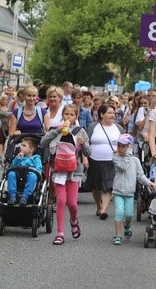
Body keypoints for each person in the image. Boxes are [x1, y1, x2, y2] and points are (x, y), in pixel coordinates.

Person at [41, 104, 91, 245]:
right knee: (61, 201)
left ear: (76, 117)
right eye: (66, 114)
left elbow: (88, 152)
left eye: (71, 115)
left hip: (74, 171)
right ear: (62, 115)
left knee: (72, 204)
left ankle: (74, 220)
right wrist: (56, 131)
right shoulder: (56, 129)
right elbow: (43, 143)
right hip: (59, 170)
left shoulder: (80, 131)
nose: (68, 117)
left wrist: (83, 144)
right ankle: (60, 233)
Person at [111, 133, 154, 245]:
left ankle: (127, 226)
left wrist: (149, 183)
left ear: (130, 146)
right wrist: (129, 154)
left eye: (123, 146)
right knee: (119, 212)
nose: (120, 148)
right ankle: (118, 235)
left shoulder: (135, 161)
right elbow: (123, 167)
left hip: (130, 192)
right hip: (118, 191)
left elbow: (140, 175)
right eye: (119, 145)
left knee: (129, 215)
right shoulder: (116, 158)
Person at [85, 103, 124, 220]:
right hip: (95, 160)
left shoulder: (119, 128)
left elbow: (125, 143)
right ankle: (99, 206)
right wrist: (85, 158)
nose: (113, 115)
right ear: (102, 114)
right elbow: (85, 144)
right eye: (110, 113)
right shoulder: (93, 127)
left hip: (112, 161)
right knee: (96, 186)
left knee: (108, 186)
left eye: (114, 113)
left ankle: (103, 210)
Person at [7, 137, 42, 206]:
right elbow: (12, 166)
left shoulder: (36, 158)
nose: (21, 147)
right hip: (18, 175)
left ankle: (25, 197)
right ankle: (12, 196)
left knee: (33, 176)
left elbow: (39, 169)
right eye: (21, 145)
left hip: (29, 175)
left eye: (24, 145)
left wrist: (35, 171)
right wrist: (18, 159)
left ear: (31, 149)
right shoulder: (19, 157)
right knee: (11, 174)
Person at [0, 95, 10, 160]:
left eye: (6, 100)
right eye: (4, 100)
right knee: (0, 141)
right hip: (0, 126)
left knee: (4, 141)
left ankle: (2, 153)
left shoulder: (8, 107)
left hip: (7, 126)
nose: (5, 101)